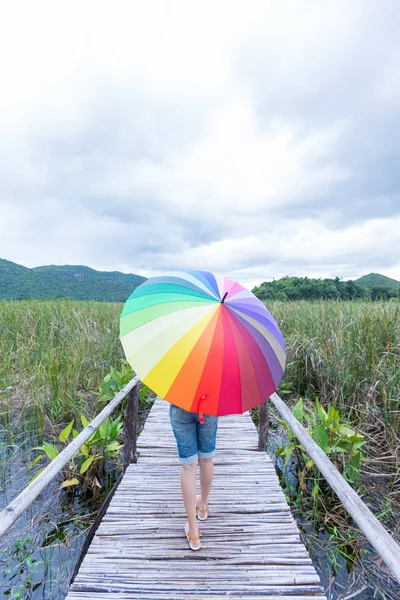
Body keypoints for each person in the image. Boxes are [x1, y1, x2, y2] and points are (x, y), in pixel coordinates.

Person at [169, 404, 219, 550]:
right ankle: (202, 507)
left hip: (181, 404)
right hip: (208, 404)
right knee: (206, 459)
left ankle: (193, 532)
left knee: (188, 467)